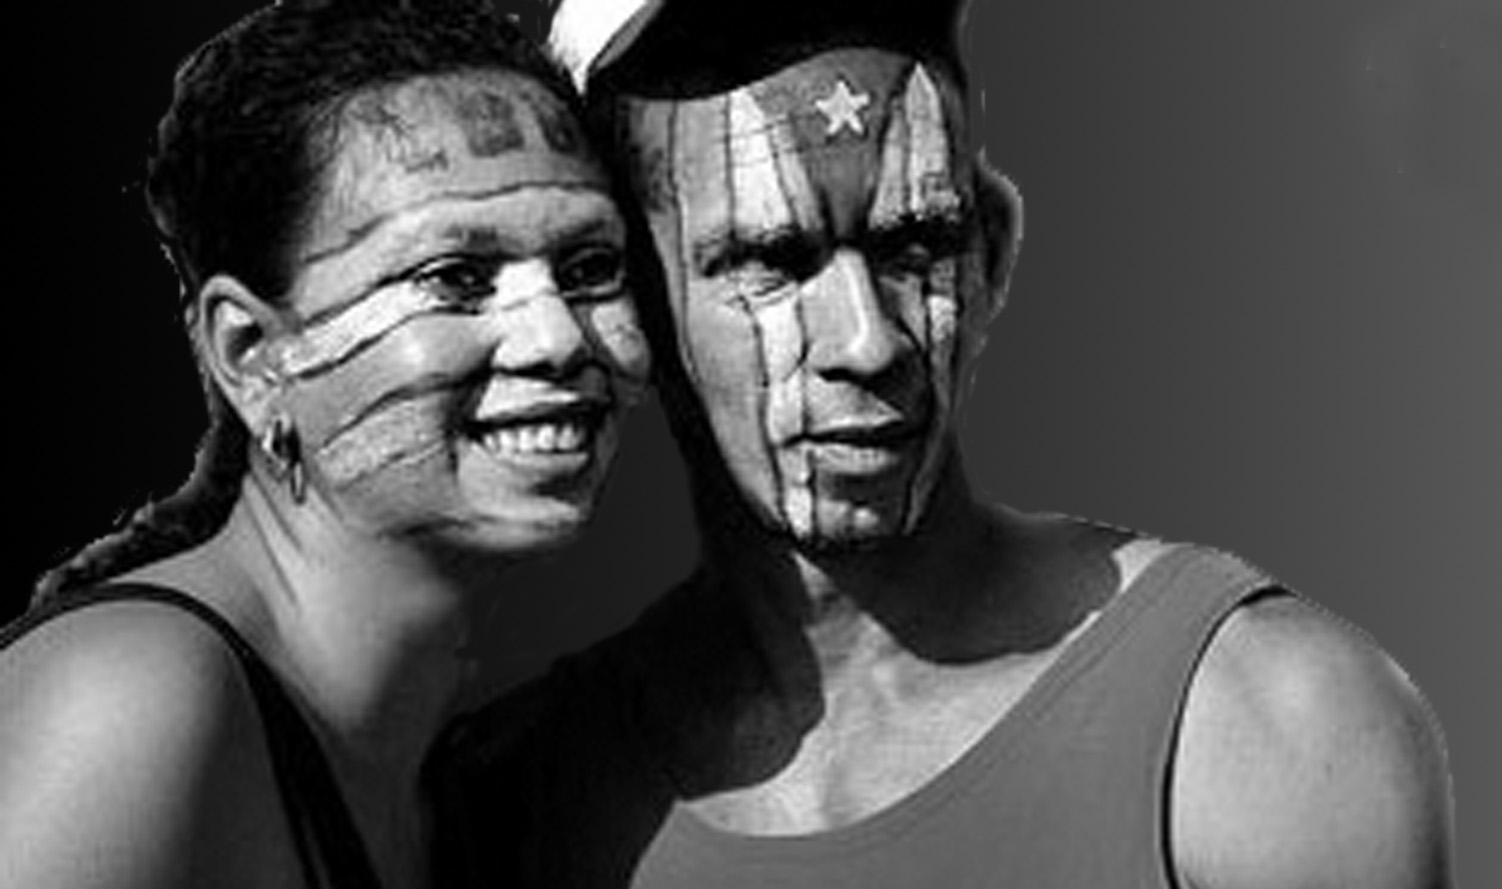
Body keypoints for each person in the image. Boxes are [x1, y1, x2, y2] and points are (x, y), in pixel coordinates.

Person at [428, 0, 1457, 886]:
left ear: (992, 253)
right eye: (770, 261)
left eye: (915, 244)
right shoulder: (517, 802)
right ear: (622, 307)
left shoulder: (1262, 722)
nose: (866, 341)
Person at [0, 0, 648, 886]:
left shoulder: (437, 758)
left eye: (590, 268)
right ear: (252, 354)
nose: (559, 337)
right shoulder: (130, 698)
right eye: (455, 277)